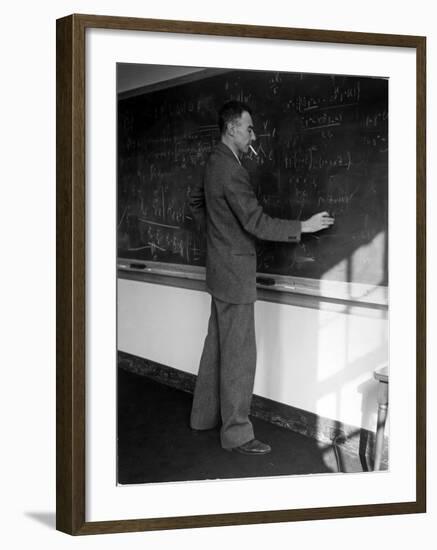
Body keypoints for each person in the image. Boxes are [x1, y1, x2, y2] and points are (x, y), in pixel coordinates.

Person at [189, 100, 334, 455]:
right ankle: (237, 434)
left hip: (220, 272)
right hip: (235, 275)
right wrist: (303, 226)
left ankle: (202, 417)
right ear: (233, 129)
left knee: (216, 349)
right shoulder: (232, 170)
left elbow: (195, 202)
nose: (254, 134)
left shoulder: (213, 162)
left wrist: (217, 239)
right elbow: (256, 222)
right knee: (239, 357)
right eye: (249, 128)